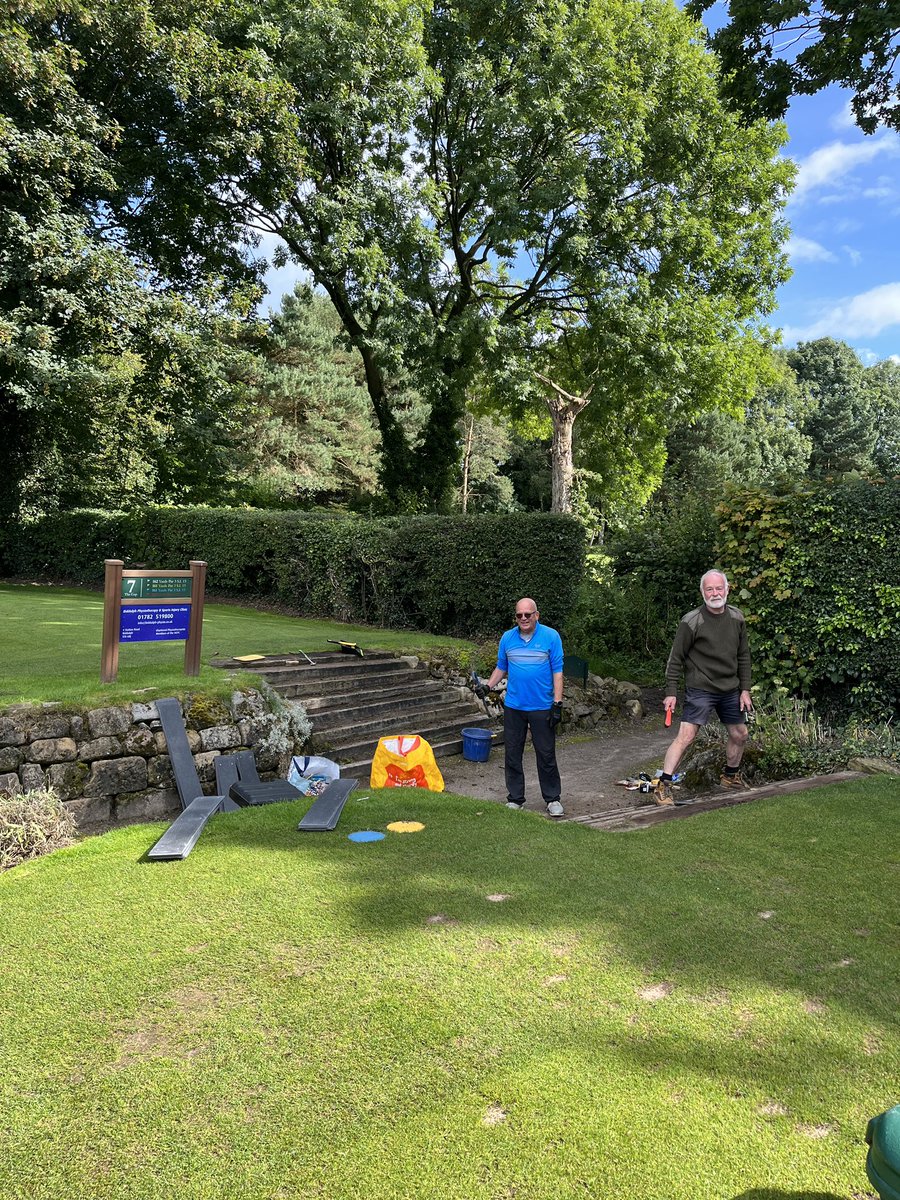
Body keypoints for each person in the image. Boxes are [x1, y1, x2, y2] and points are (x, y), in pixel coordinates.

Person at [657, 569, 753, 807]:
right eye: (709, 589)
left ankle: (730, 777)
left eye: (719, 588)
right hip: (701, 688)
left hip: (730, 688)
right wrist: (671, 693)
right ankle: (663, 786)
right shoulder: (692, 621)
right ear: (702, 592)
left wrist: (745, 689)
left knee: (740, 734)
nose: (715, 593)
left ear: (727, 589)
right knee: (686, 736)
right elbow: (675, 658)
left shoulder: (737, 617)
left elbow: (743, 655)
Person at [481, 598, 565, 817]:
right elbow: (501, 667)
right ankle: (515, 799)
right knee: (512, 753)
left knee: (546, 754)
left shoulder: (551, 636)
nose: (524, 618)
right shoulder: (507, 638)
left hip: (542, 706)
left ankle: (553, 799)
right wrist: (487, 686)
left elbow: (557, 671)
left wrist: (557, 704)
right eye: (519, 615)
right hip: (514, 706)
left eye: (528, 614)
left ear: (537, 615)